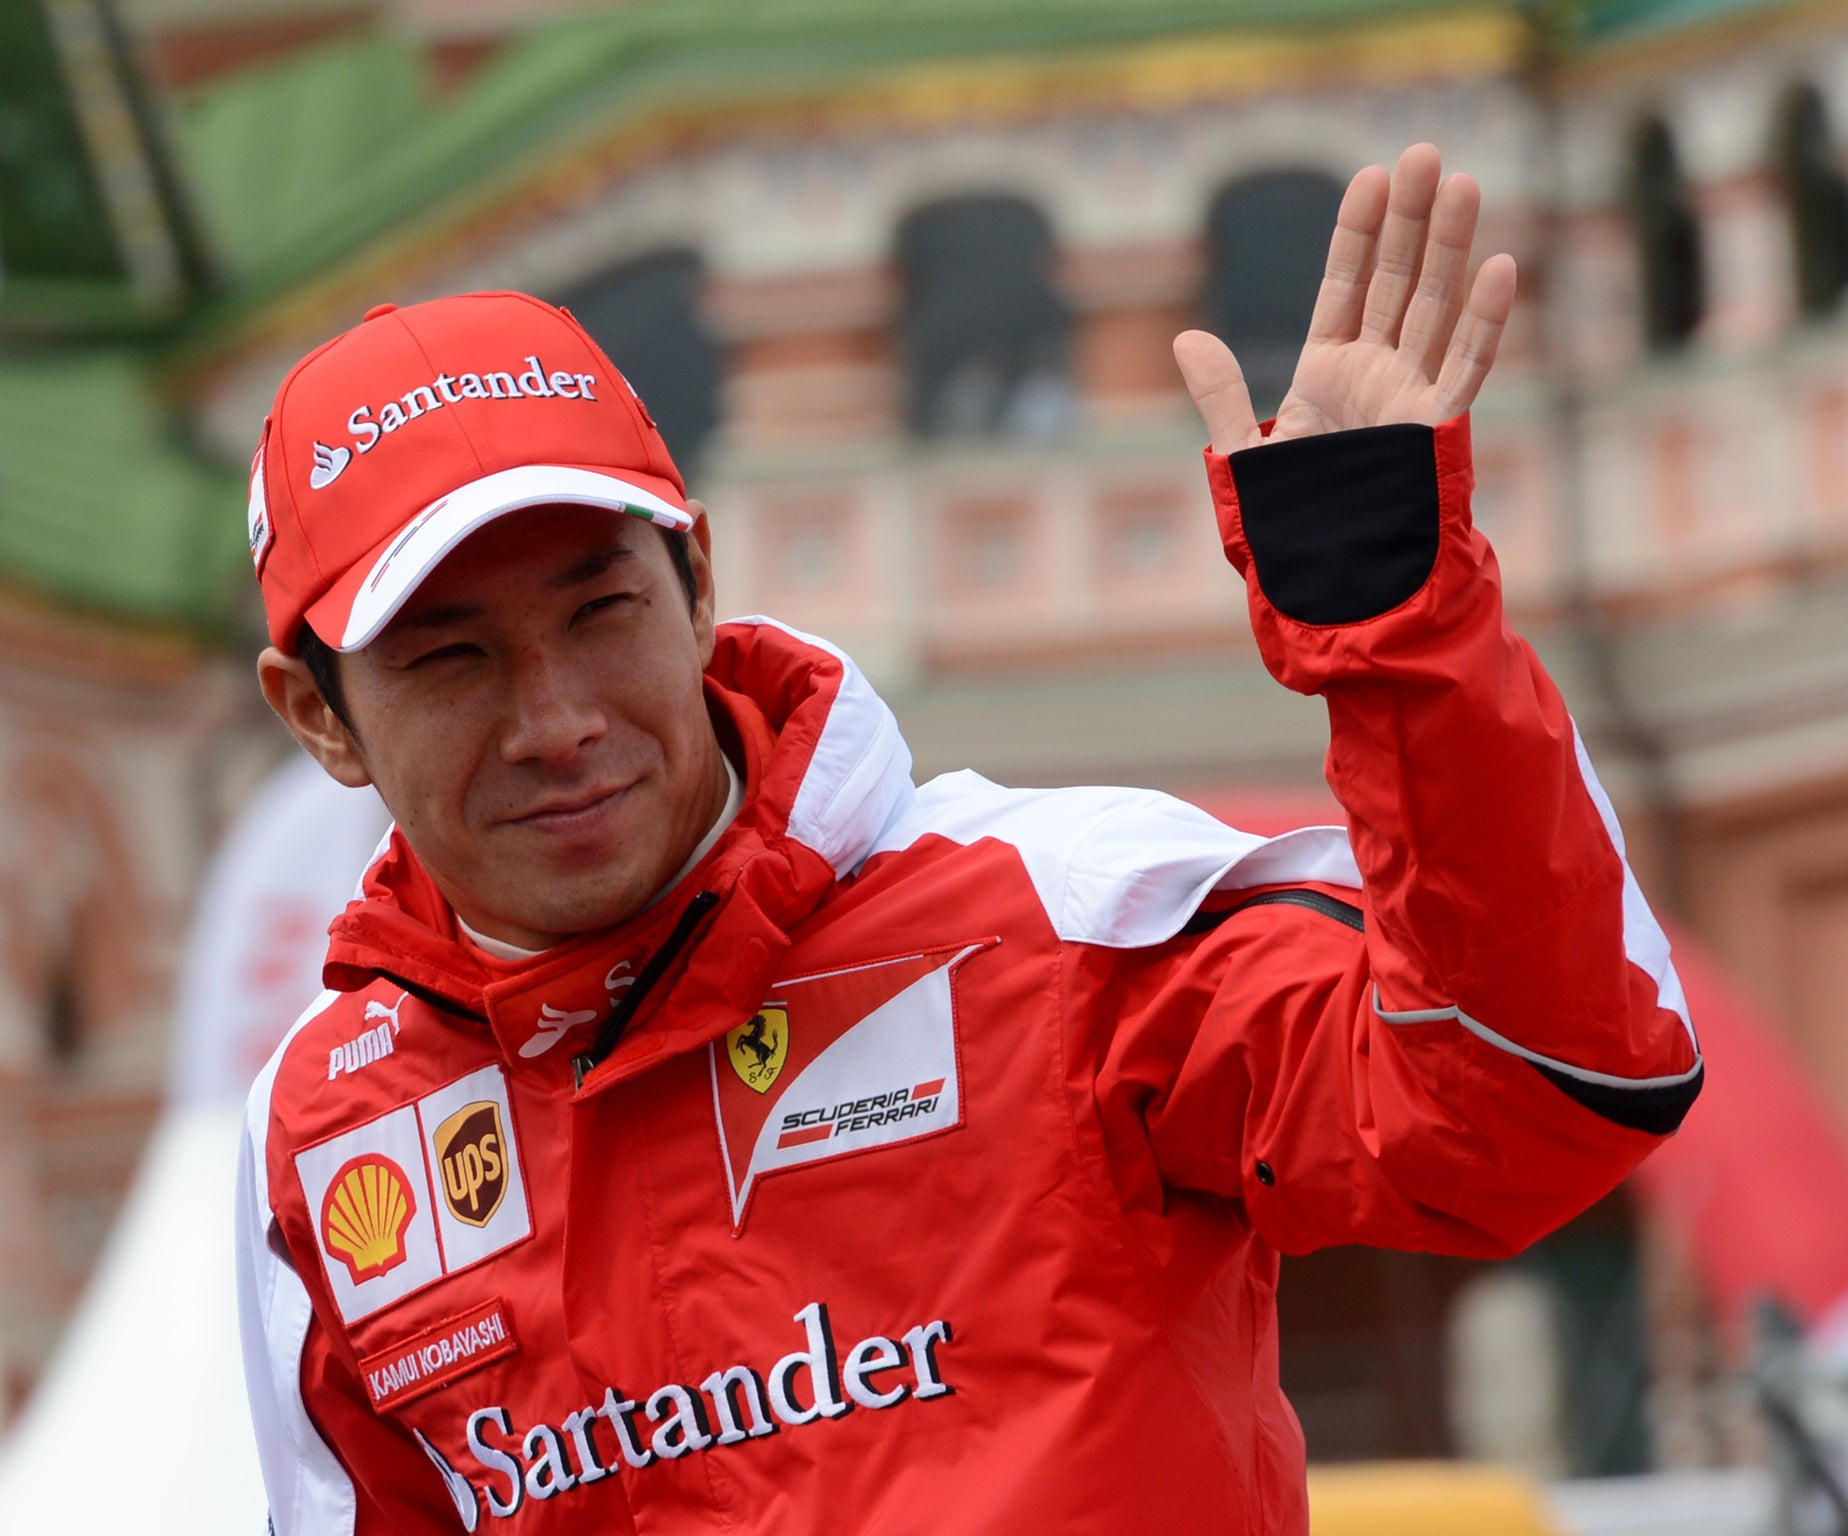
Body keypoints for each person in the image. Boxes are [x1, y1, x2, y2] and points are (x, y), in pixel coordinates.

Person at [235, 145, 1700, 1534]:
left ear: (696, 589)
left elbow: (1532, 1100)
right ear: (318, 717)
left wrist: (1396, 631)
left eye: (598, 607)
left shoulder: (1071, 921)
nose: (555, 718)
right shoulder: (322, 1137)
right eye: (450, 659)